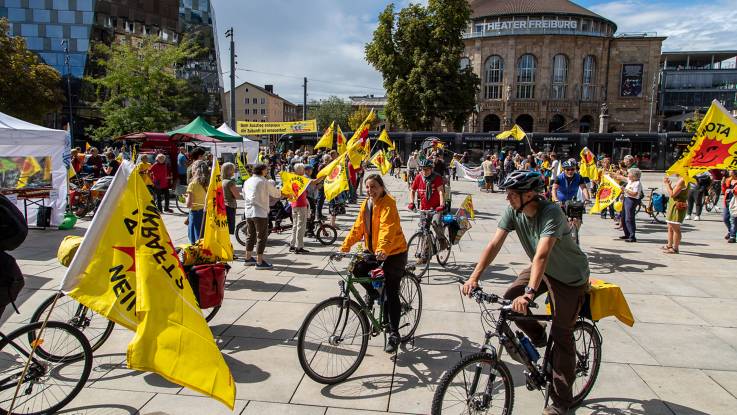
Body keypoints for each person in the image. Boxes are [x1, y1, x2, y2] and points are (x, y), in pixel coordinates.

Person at [462, 170, 589, 415]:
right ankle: (539, 337)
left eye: (512, 194)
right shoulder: (515, 210)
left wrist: (529, 294)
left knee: (562, 335)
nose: (507, 198)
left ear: (529, 195)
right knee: (509, 300)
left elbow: (542, 254)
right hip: (542, 270)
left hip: (569, 277)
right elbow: (494, 244)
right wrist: (474, 277)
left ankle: (562, 402)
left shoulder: (551, 212)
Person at [340, 174, 408, 353]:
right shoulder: (366, 204)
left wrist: (383, 250)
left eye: (374, 187)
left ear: (382, 187)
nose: (370, 191)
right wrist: (345, 246)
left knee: (391, 292)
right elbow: (358, 227)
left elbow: (388, 227)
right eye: (368, 187)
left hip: (394, 252)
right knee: (357, 268)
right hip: (374, 251)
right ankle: (374, 294)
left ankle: (394, 333)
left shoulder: (389, 203)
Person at [242, 164, 281, 269]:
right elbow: (276, 194)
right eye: (266, 170)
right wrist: (283, 191)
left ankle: (248, 258)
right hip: (260, 212)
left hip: (249, 211)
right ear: (262, 171)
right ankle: (259, 262)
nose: (267, 171)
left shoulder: (247, 181)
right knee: (261, 237)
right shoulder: (263, 181)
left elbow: (244, 195)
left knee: (250, 235)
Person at [408, 159, 447, 252]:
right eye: (422, 169)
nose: (424, 171)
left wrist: (442, 205)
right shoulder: (418, 177)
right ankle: (425, 255)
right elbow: (412, 190)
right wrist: (411, 202)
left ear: (431, 169)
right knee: (423, 231)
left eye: (426, 169)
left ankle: (442, 240)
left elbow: (441, 192)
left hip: (436, 208)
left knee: (435, 223)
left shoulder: (437, 178)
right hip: (424, 209)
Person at [185, 160, 209, 244]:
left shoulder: (193, 184)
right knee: (204, 237)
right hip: (207, 213)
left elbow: (189, 204)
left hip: (196, 214)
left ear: (194, 170)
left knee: (195, 238)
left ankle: (197, 255)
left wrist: (186, 198)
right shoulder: (209, 183)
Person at [663, 174, 687, 253]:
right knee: (670, 226)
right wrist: (670, 185)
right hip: (674, 205)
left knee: (675, 228)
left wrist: (666, 184)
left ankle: (675, 248)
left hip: (677, 206)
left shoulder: (683, 180)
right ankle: (669, 245)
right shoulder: (682, 179)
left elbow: (672, 194)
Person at [289, 163, 310, 254]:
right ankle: (299, 246)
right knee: (301, 226)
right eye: (303, 169)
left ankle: (292, 245)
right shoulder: (302, 179)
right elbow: (313, 182)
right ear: (301, 170)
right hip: (301, 204)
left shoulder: (292, 178)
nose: (304, 170)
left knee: (295, 225)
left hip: (294, 204)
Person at [620, 167, 643, 243]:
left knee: (629, 218)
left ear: (633, 175)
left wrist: (625, 190)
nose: (628, 174)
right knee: (623, 217)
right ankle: (627, 234)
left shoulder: (637, 183)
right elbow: (621, 177)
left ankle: (632, 236)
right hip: (626, 199)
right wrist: (612, 174)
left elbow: (634, 194)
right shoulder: (630, 180)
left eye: (629, 173)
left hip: (632, 200)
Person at [221, 162, 241, 235]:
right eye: (233, 169)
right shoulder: (230, 182)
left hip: (223, 206)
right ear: (229, 170)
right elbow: (237, 196)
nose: (234, 170)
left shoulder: (221, 181)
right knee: (229, 229)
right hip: (230, 206)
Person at [722, 170, 737, 243]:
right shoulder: (728, 180)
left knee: (734, 220)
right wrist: (723, 184)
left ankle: (732, 236)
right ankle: (730, 231)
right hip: (727, 202)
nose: (729, 171)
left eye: (730, 170)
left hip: (735, 203)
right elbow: (724, 191)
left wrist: (733, 190)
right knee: (725, 218)